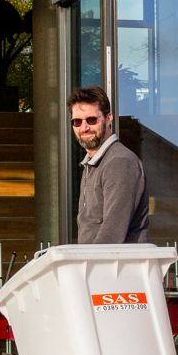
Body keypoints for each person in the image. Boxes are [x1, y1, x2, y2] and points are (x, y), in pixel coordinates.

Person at [68, 85, 149, 243]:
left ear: (109, 118)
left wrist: (90, 266)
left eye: (91, 120)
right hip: (96, 264)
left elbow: (112, 234)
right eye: (77, 122)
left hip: (114, 266)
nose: (84, 128)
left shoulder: (119, 162)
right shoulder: (92, 164)